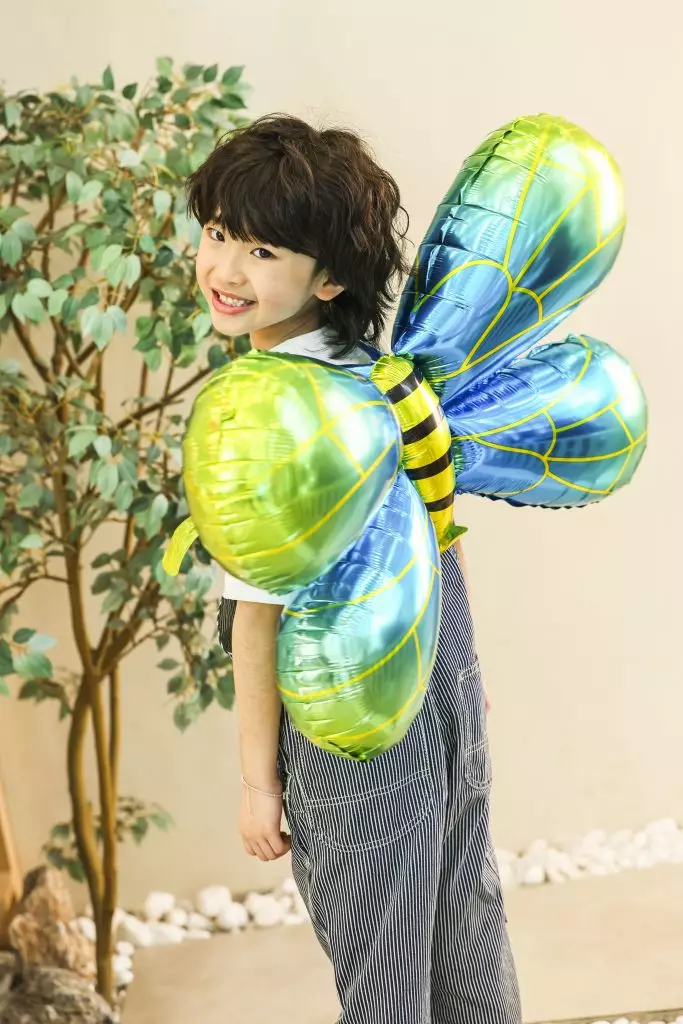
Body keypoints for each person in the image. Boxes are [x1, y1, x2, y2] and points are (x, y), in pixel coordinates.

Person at [186, 113, 521, 1024]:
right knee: (466, 931)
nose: (224, 269)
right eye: (217, 233)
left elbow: (257, 618)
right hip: (441, 678)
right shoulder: (383, 371)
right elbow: (441, 525)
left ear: (328, 277)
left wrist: (259, 785)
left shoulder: (270, 416)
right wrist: (463, 677)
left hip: (350, 726)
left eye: (262, 251)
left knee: (383, 980)